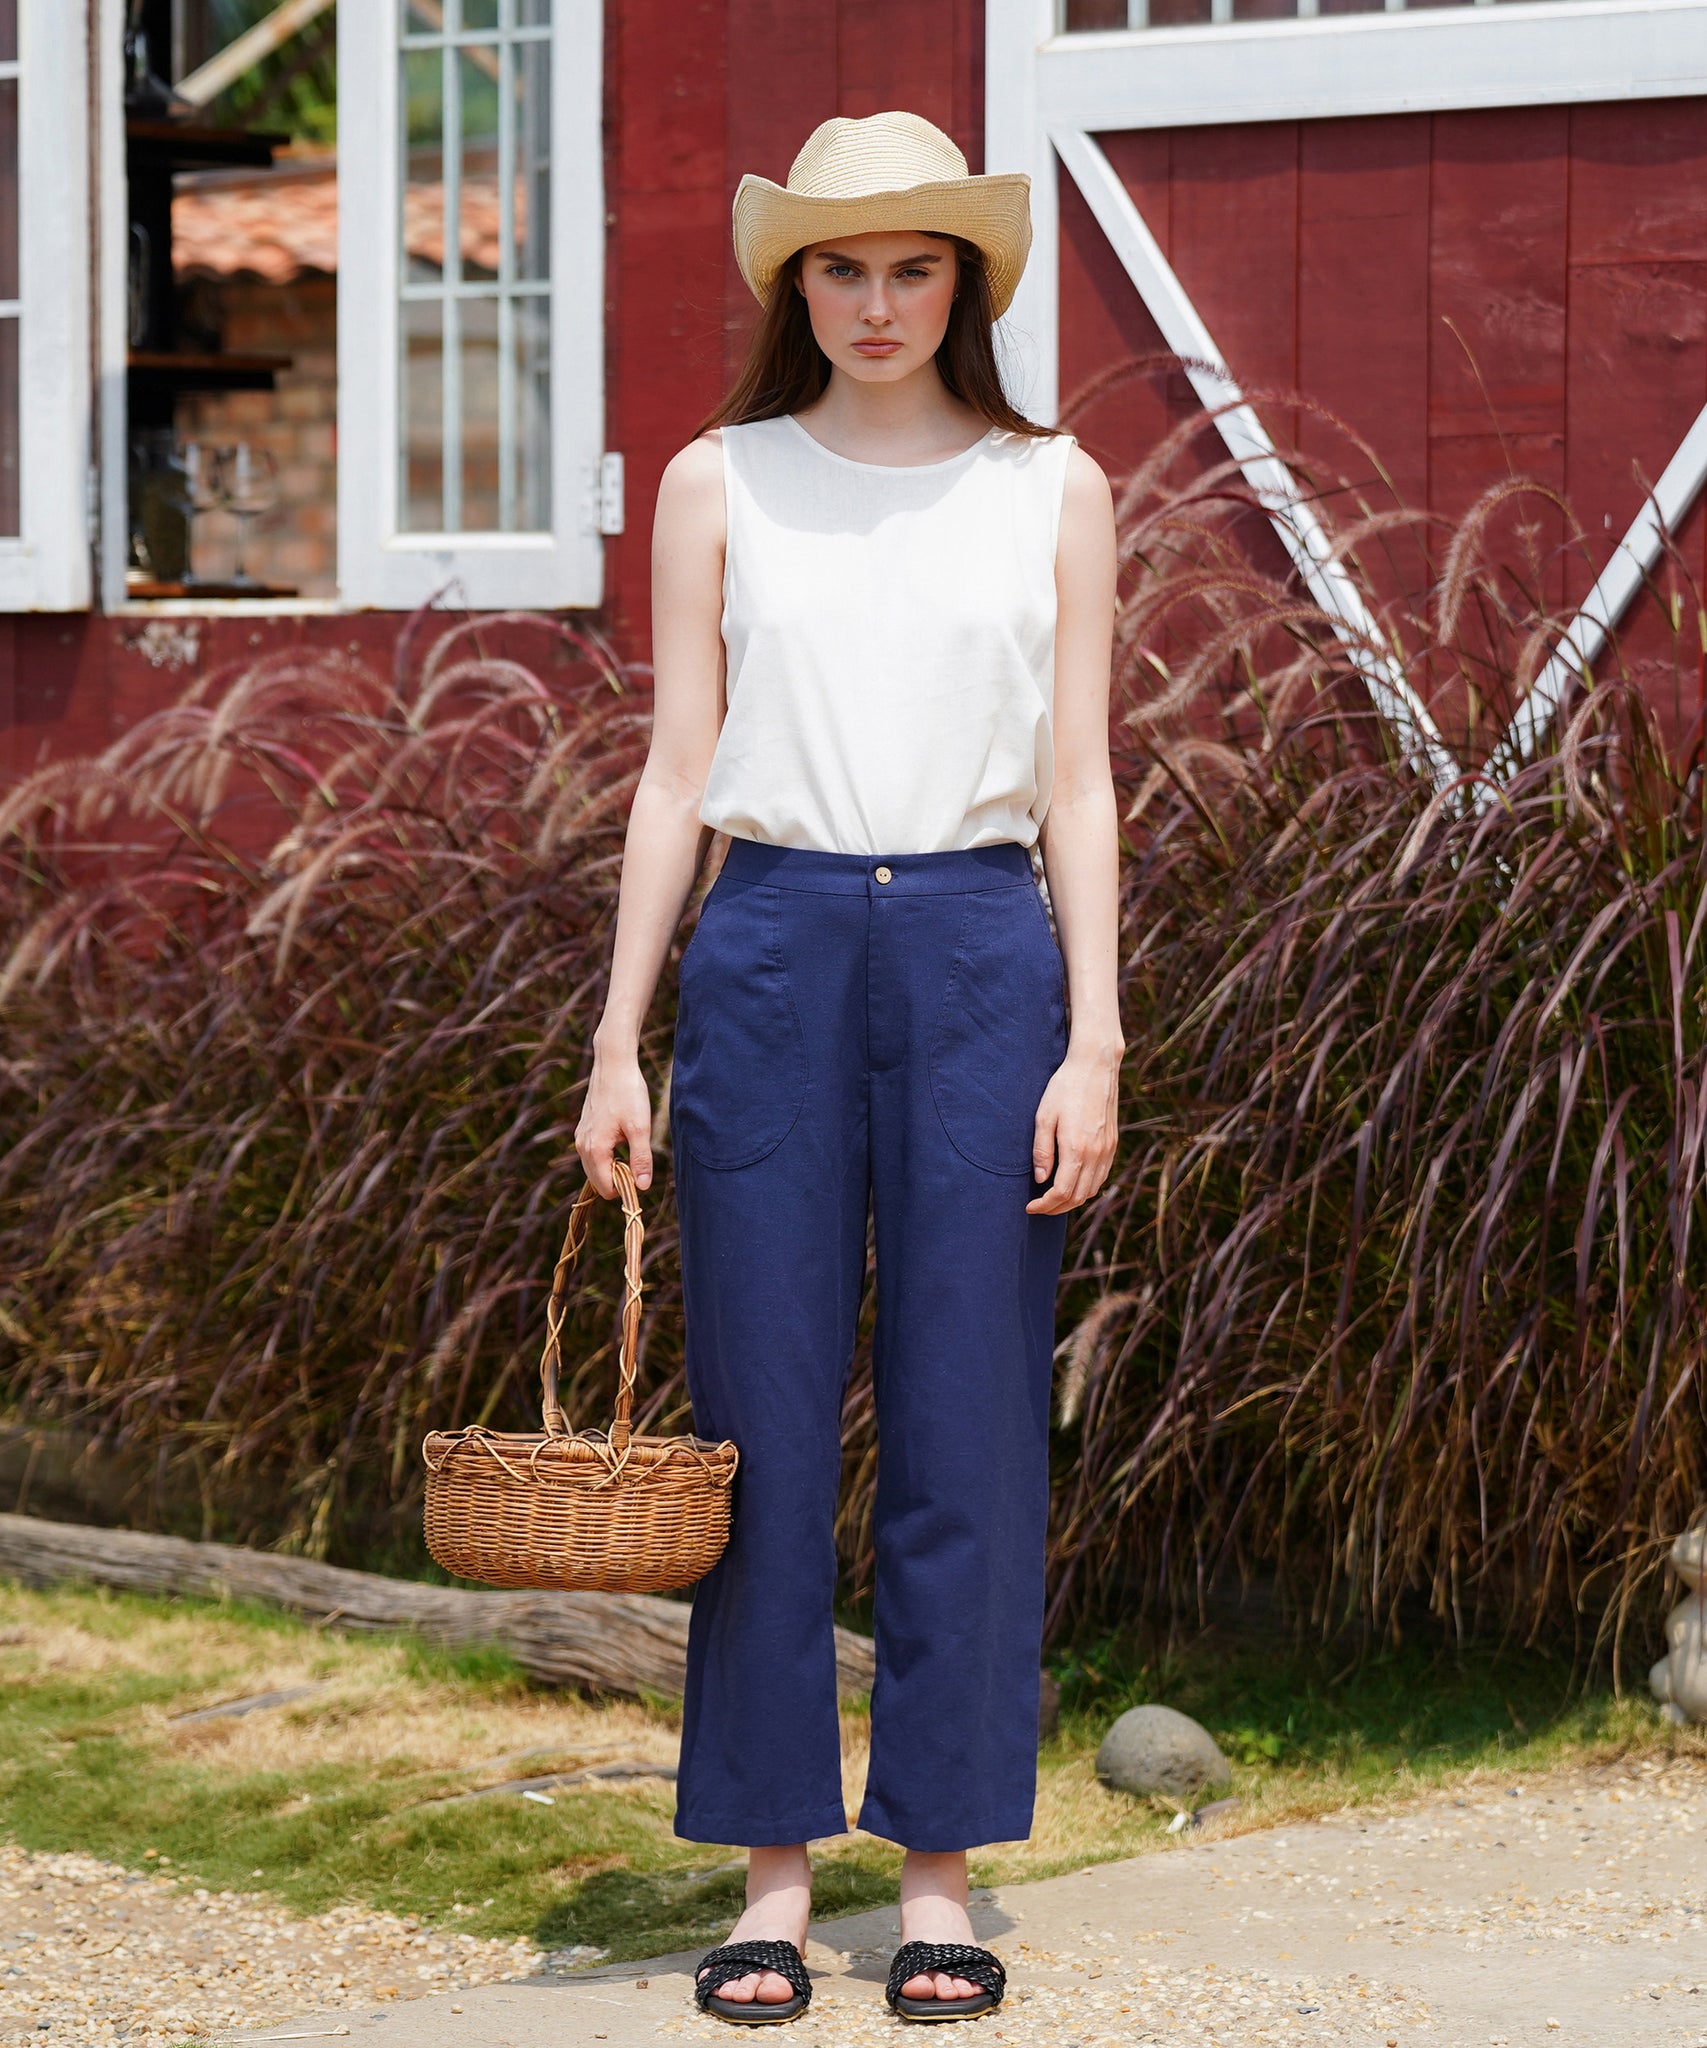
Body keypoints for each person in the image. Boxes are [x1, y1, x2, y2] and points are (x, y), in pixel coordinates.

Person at [576, 109, 1120, 2028]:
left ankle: (942, 1876)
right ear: (792, 285)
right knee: (762, 1428)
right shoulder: (719, 479)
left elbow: (1078, 783)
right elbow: (673, 771)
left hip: (981, 949)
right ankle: (774, 1880)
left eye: (912, 267)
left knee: (968, 1419)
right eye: (840, 267)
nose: (876, 303)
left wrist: (1097, 1036)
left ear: (962, 285)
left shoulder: (1053, 487)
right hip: (772, 946)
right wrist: (616, 1036)